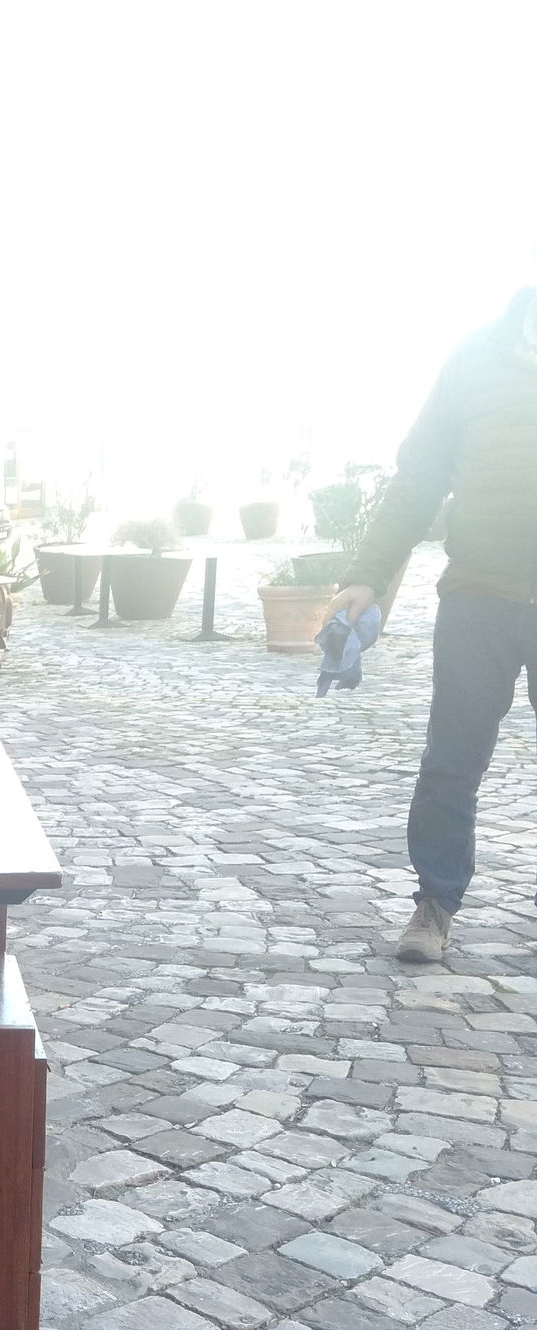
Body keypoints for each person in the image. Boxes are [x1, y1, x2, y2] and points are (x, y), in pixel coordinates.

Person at [326, 285, 537, 963]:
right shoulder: (473, 359)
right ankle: (435, 903)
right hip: (478, 597)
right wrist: (365, 574)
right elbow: (417, 479)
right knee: (451, 761)